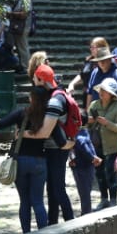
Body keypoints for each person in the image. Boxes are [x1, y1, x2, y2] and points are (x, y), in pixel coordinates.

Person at [0, 85, 64, 233]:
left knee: (24, 202)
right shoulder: (48, 117)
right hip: (39, 162)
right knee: (38, 201)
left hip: (20, 161)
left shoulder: (22, 113)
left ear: (31, 99)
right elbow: (60, 140)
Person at [35, 64, 77, 225]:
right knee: (52, 188)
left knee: (57, 188)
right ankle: (52, 223)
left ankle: (70, 222)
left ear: (41, 80)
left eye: (35, 79)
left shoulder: (55, 100)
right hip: (57, 148)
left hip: (57, 149)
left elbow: (48, 130)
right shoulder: (56, 95)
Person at [88, 78, 117, 208]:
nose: (102, 92)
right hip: (97, 145)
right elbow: (86, 125)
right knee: (99, 173)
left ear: (111, 94)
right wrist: (90, 121)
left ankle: (113, 199)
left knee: (111, 173)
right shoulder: (94, 105)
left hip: (112, 147)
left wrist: (107, 123)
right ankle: (104, 199)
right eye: (101, 90)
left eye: (105, 91)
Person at [70, 114, 101, 215]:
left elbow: (83, 145)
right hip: (84, 166)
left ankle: (86, 212)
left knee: (84, 191)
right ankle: (86, 211)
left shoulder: (79, 134)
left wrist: (93, 158)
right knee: (85, 190)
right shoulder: (84, 131)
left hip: (82, 167)